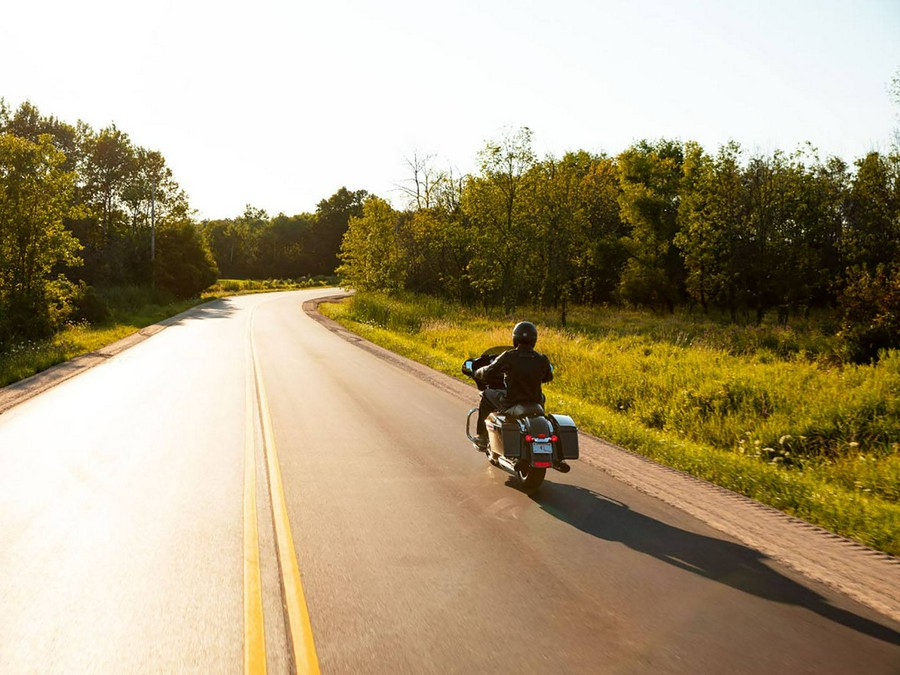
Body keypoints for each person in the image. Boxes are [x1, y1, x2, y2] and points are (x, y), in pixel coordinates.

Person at [474, 321, 553, 449]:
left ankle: (482, 436)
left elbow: (488, 372)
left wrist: (478, 372)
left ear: (515, 338)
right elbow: (548, 377)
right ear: (534, 339)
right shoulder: (541, 358)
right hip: (535, 403)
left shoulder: (508, 356)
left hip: (511, 402)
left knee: (487, 394)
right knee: (542, 396)